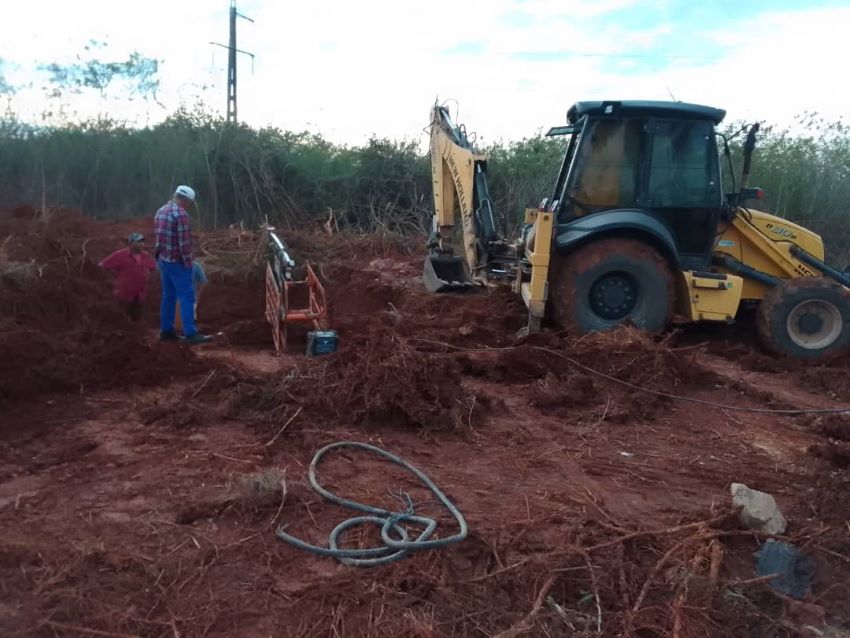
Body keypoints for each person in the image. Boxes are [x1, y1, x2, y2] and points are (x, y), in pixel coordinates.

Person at [153, 185, 213, 344]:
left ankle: (166, 331)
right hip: (177, 263)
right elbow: (184, 244)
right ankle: (190, 334)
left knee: (168, 296)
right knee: (187, 296)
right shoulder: (181, 214)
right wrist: (189, 264)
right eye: (190, 203)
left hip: (163, 261)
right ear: (186, 200)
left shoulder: (161, 211)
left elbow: (158, 238)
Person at [99, 232, 157, 321]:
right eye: (138, 242)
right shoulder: (119, 255)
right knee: (122, 318)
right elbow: (103, 265)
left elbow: (153, 268)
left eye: (142, 242)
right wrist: (112, 280)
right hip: (124, 293)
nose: (141, 244)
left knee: (137, 318)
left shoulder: (145, 256)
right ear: (131, 243)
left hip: (140, 294)